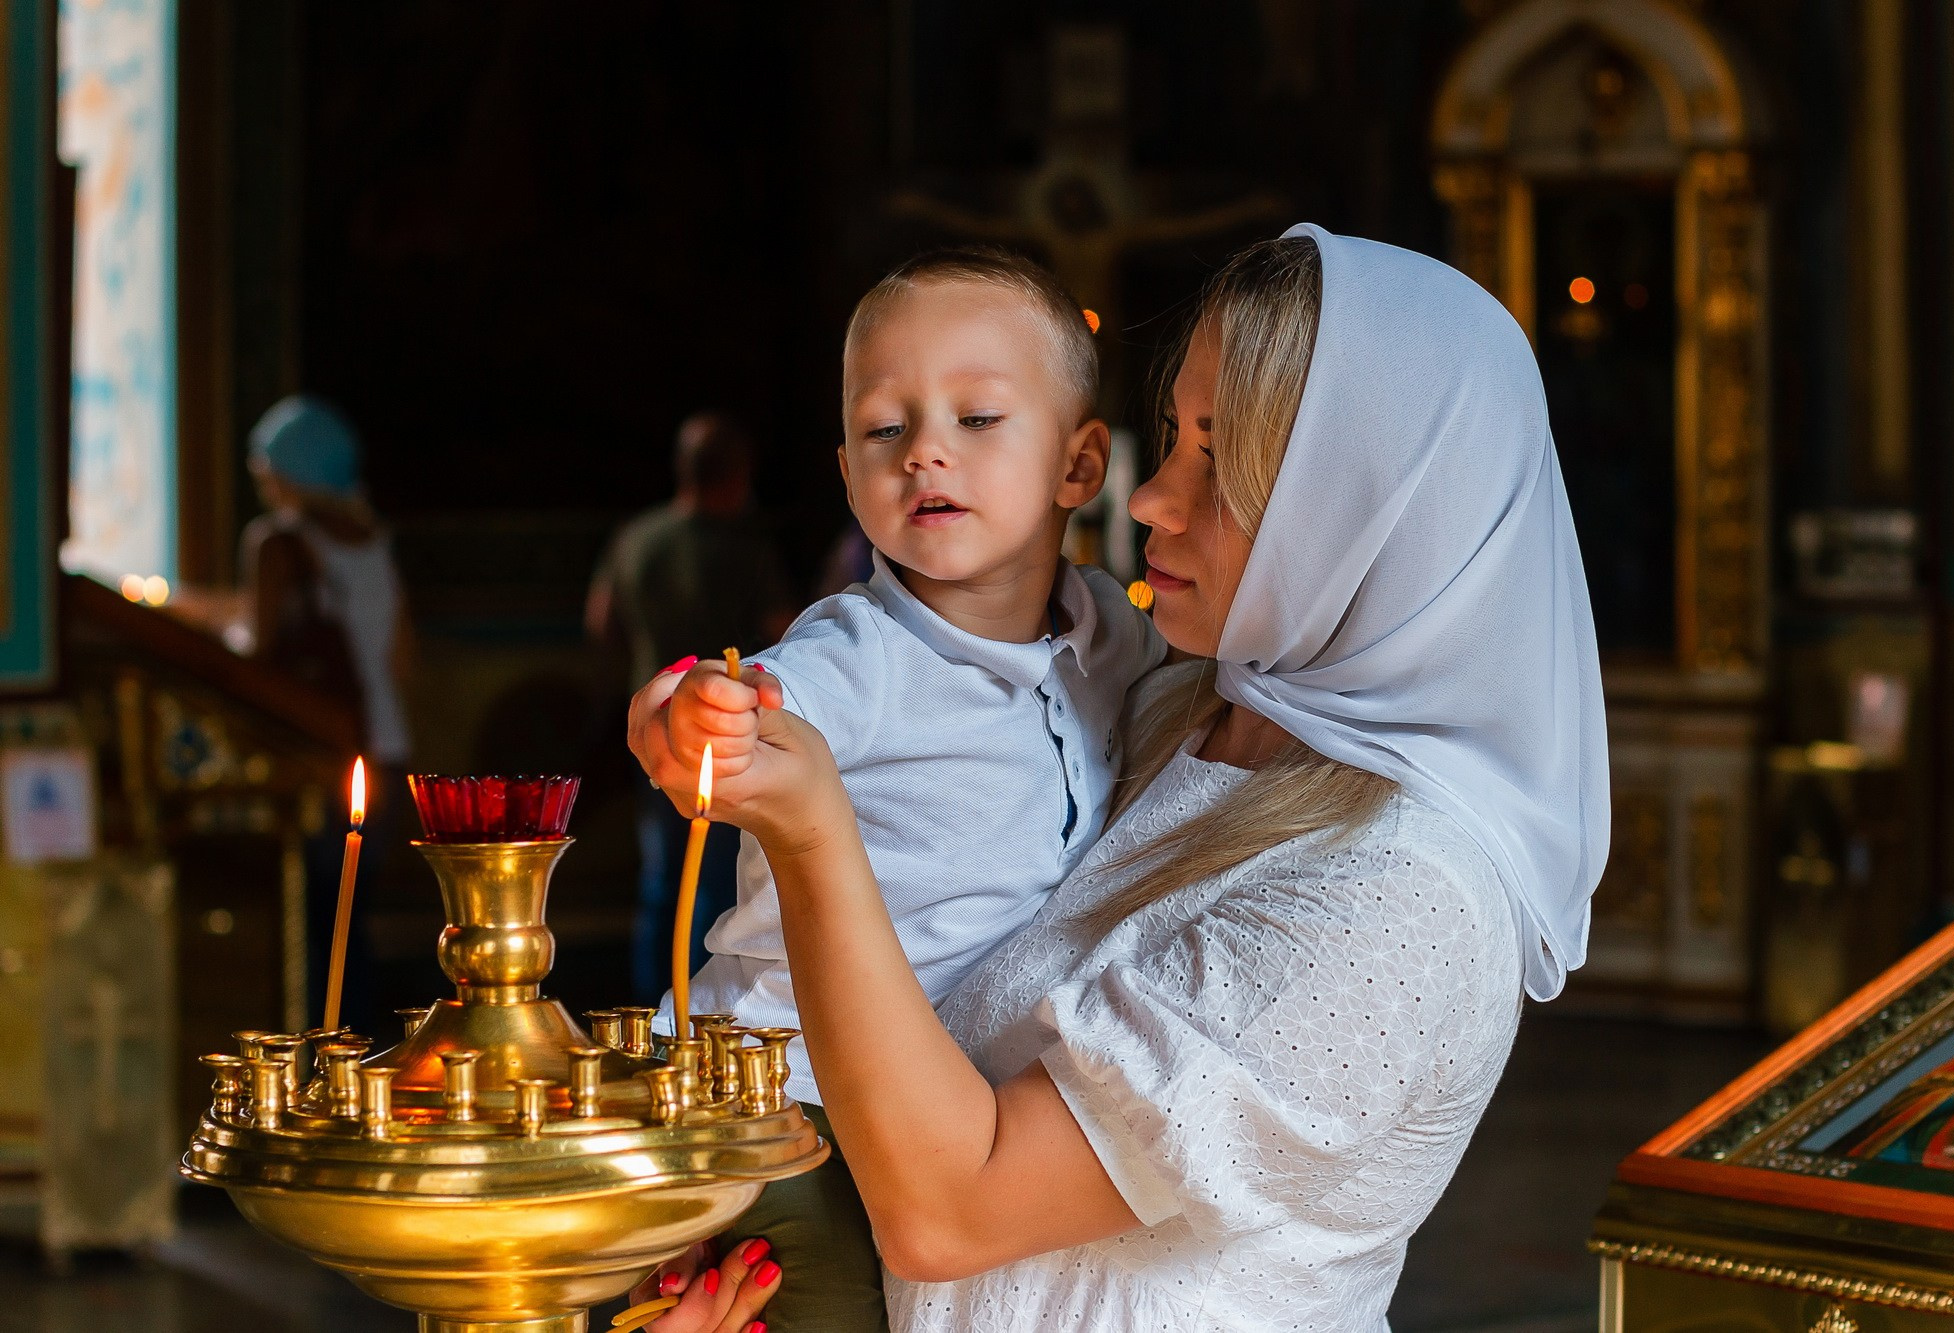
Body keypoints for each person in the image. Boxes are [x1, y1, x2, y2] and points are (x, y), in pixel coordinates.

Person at [633, 224, 1609, 1330]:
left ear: (1371, 518)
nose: (1150, 502)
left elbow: (949, 1212)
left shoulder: (1403, 900)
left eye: (1219, 463)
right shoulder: (1160, 712)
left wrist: (811, 833)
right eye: (1176, 438)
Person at [644, 247, 1164, 1331]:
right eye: (886, 429)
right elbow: (746, 697)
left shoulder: (1113, 635)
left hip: (926, 1110)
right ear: (847, 474)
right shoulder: (859, 649)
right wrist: (687, 713)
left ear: (1079, 467)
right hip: (786, 1106)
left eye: (976, 419)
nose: (925, 448)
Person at [585, 411, 794, 999]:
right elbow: (783, 634)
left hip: (651, 721)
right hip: (727, 732)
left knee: (661, 876)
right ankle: (699, 1013)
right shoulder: (747, 549)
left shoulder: (637, 539)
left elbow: (601, 623)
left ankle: (653, 1006)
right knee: (722, 878)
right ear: (740, 474)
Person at [240, 394, 417, 1039]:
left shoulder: (278, 544)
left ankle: (315, 1071)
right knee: (350, 920)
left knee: (309, 930)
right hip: (387, 751)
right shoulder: (377, 544)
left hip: (317, 753)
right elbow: (400, 660)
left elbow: (257, 657)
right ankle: (360, 1063)